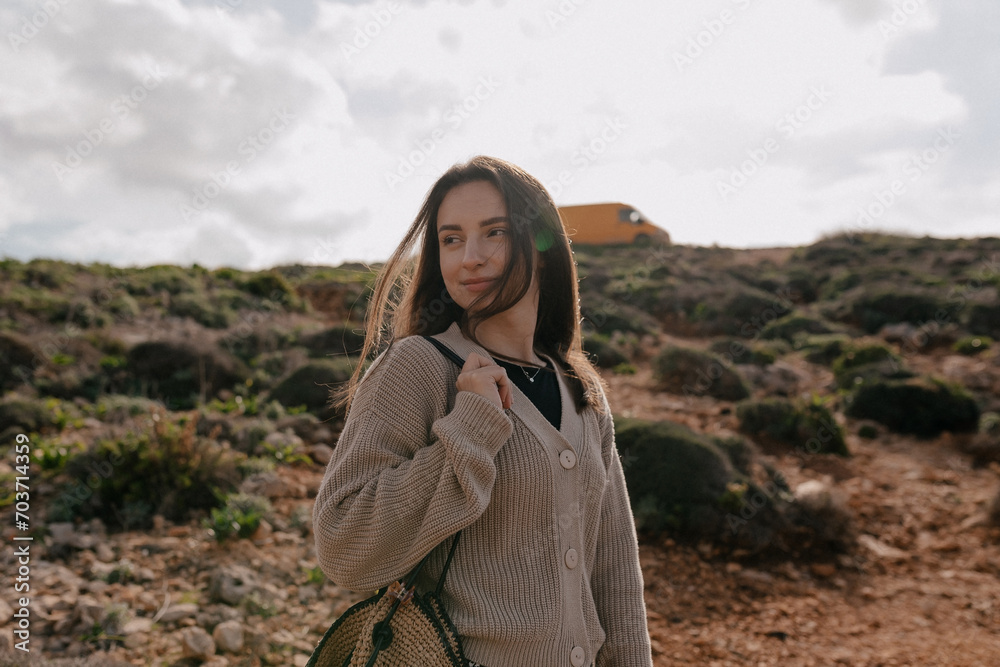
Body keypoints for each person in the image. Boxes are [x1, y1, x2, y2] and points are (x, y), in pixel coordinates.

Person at [312, 155, 653, 667]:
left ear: (541, 249)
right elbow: (342, 545)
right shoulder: (418, 366)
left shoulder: (579, 386)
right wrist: (469, 429)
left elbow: (615, 570)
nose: (469, 257)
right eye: (450, 239)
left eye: (494, 232)